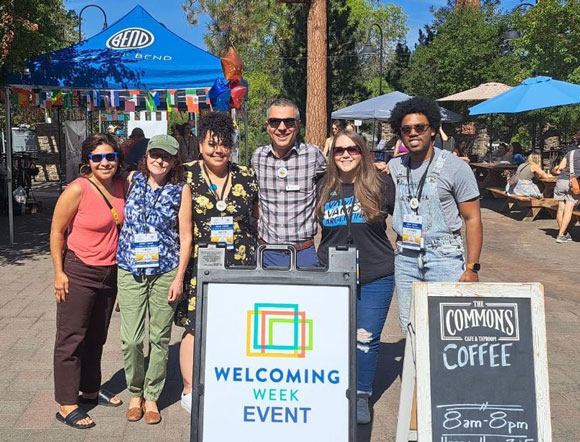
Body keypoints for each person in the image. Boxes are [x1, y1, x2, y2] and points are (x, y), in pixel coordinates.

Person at [177, 112, 259, 413]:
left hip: (240, 264)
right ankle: (189, 387)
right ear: (200, 145)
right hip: (202, 263)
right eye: (212, 144)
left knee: (236, 326)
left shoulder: (247, 176)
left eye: (224, 145)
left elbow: (255, 217)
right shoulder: (185, 174)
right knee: (195, 326)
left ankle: (229, 381)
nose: (217, 150)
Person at [316, 130, 395, 425]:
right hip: (332, 274)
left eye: (352, 149)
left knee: (365, 338)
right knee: (332, 337)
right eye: (338, 150)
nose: (345, 154)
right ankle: (332, 388)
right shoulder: (322, 186)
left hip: (376, 273)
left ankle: (361, 394)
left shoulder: (381, 183)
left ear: (363, 152)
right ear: (331, 155)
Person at [387, 97, 483, 332]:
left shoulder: (456, 167)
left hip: (445, 258)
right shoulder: (395, 167)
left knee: (448, 329)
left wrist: (472, 268)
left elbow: (473, 220)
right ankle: (416, 370)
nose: (413, 133)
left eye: (420, 127)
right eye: (406, 129)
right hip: (406, 258)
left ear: (432, 130)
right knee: (410, 327)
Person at [50, 134, 125, 429]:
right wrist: (59, 273)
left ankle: (90, 390)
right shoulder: (77, 189)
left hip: (110, 271)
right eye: (97, 158)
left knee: (97, 336)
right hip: (79, 270)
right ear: (87, 161)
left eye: (109, 156)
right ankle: (67, 403)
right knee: (71, 338)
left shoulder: (122, 185)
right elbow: (56, 232)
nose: (104, 162)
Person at [116, 135, 192, 424]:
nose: (160, 160)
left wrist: (179, 277)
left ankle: (151, 396)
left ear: (175, 161)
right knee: (132, 339)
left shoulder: (180, 189)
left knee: (159, 338)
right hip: (131, 269)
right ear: (146, 156)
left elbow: (185, 237)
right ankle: (134, 390)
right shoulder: (131, 180)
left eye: (166, 156)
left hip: (165, 271)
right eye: (155, 155)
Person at [252, 98, 327, 267]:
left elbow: (341, 170)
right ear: (267, 126)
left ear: (298, 124)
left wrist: (372, 166)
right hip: (267, 254)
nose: (282, 128)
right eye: (275, 122)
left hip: (303, 253)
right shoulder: (258, 157)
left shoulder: (313, 155)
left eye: (289, 122)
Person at [552, 143, 580, 243]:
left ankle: (563, 233)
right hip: (574, 184)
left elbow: (560, 168)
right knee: (568, 210)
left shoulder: (570, 153)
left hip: (561, 181)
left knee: (560, 209)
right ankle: (560, 235)